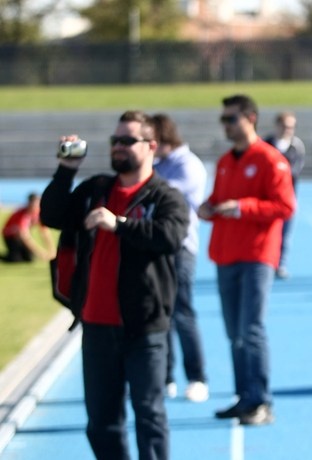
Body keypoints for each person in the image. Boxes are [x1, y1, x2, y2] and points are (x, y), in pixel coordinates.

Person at [39, 110, 189, 460]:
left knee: (149, 416)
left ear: (151, 145)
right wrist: (67, 169)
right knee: (102, 422)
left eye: (127, 141)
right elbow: (52, 215)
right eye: (115, 141)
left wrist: (119, 224)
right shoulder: (96, 190)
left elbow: (170, 236)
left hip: (144, 329)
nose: (118, 147)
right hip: (97, 326)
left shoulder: (164, 196)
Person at [199, 94, 295, 426]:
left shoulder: (271, 160)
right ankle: (244, 397)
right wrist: (207, 208)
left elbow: (285, 207)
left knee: (251, 329)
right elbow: (218, 199)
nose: (226, 125)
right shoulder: (226, 160)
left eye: (231, 119)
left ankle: (262, 401)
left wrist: (242, 207)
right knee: (233, 332)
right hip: (226, 253)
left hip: (256, 255)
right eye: (223, 119)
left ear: (250, 118)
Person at [152, 113, 210, 402]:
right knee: (159, 313)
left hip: (181, 247)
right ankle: (165, 375)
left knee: (182, 312)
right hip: (155, 247)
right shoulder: (157, 165)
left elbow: (159, 194)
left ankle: (197, 376)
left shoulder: (188, 165)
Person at [264, 111, 307, 279]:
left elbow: (295, 171)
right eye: (285, 126)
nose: (288, 130)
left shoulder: (296, 145)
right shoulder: (266, 143)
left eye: (291, 127)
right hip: (267, 196)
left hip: (287, 196)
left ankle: (280, 263)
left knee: (285, 232)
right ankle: (268, 261)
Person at [1, 192, 54, 263]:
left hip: (20, 237)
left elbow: (45, 232)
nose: (35, 206)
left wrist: (52, 250)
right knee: (15, 259)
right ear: (29, 203)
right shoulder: (23, 215)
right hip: (10, 237)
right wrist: (40, 252)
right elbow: (24, 236)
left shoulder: (38, 213)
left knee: (29, 258)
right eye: (33, 203)